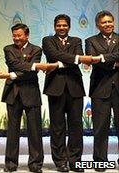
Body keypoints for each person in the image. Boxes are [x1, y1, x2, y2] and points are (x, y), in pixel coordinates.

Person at [0, 23, 56, 173]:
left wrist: (13, 74)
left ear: (27, 35)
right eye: (14, 35)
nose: (16, 38)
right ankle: (11, 164)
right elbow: (14, 64)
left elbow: (31, 73)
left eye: (19, 35)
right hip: (12, 94)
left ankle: (35, 164)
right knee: (12, 131)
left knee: (35, 131)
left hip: (31, 93)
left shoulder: (37, 49)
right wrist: (34, 66)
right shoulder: (8, 49)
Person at [42, 14, 91, 172]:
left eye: (64, 25)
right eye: (58, 25)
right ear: (54, 26)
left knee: (76, 126)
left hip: (75, 88)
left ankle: (75, 161)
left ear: (69, 27)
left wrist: (61, 63)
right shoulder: (48, 40)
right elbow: (52, 55)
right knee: (57, 127)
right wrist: (75, 59)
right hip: (55, 88)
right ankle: (60, 161)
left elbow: (78, 59)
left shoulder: (76, 40)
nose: (61, 28)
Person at [85, 10, 119, 172]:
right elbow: (93, 60)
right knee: (100, 128)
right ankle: (100, 161)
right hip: (100, 89)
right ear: (98, 25)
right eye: (104, 22)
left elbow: (100, 59)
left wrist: (103, 57)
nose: (108, 24)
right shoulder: (90, 41)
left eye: (110, 21)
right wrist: (114, 61)